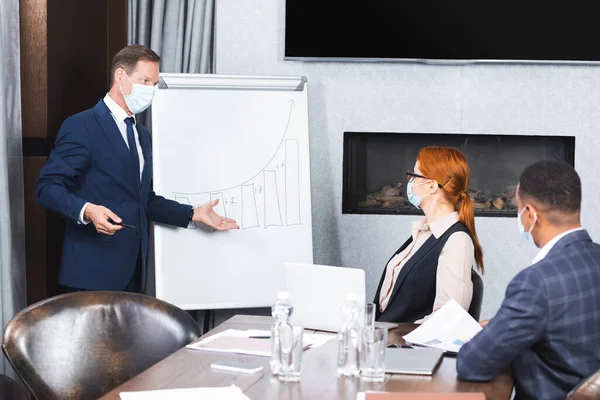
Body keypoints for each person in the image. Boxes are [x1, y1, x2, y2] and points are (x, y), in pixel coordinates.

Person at [36, 44, 239, 294]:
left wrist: (193, 214)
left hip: (133, 273)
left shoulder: (142, 135)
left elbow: (142, 201)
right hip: (90, 275)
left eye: (153, 85)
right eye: (144, 81)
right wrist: (88, 211)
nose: (150, 91)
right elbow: (47, 188)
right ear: (120, 76)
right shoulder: (82, 126)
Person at [457, 160, 600, 400]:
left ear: (530, 214)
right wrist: (505, 324)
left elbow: (471, 365)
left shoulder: (536, 282)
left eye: (518, 208)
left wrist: (491, 334)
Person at [374, 146, 484, 323]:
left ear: (432, 185)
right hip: (384, 337)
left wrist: (399, 338)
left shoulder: (456, 241)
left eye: (414, 175)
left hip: (406, 346)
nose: (408, 181)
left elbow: (448, 317)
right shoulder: (424, 232)